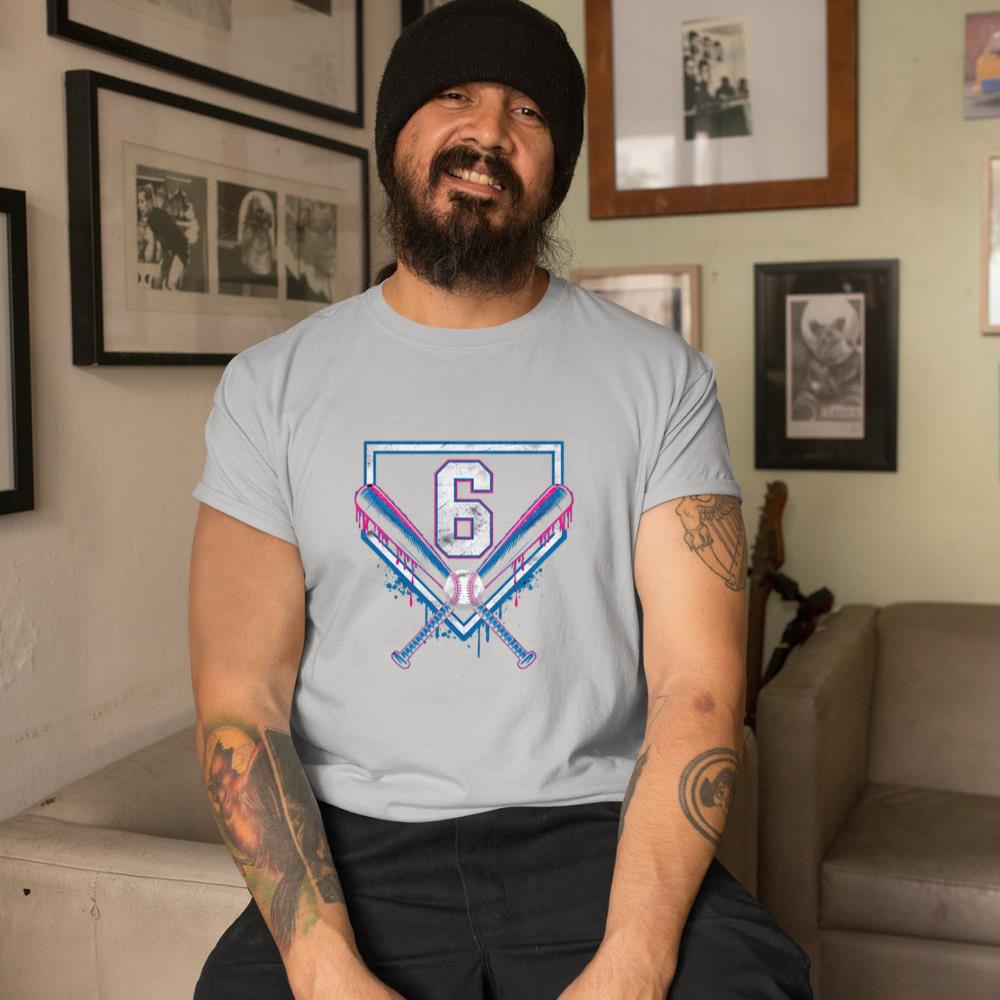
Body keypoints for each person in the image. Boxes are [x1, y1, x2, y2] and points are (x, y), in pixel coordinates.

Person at [188, 2, 813, 998]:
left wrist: (635, 961)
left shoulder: (662, 380)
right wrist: (321, 967)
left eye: (527, 111)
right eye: (454, 97)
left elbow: (696, 687)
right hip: (355, 844)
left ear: (555, 168)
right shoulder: (270, 387)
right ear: (395, 138)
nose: (488, 132)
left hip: (595, 832)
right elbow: (240, 700)